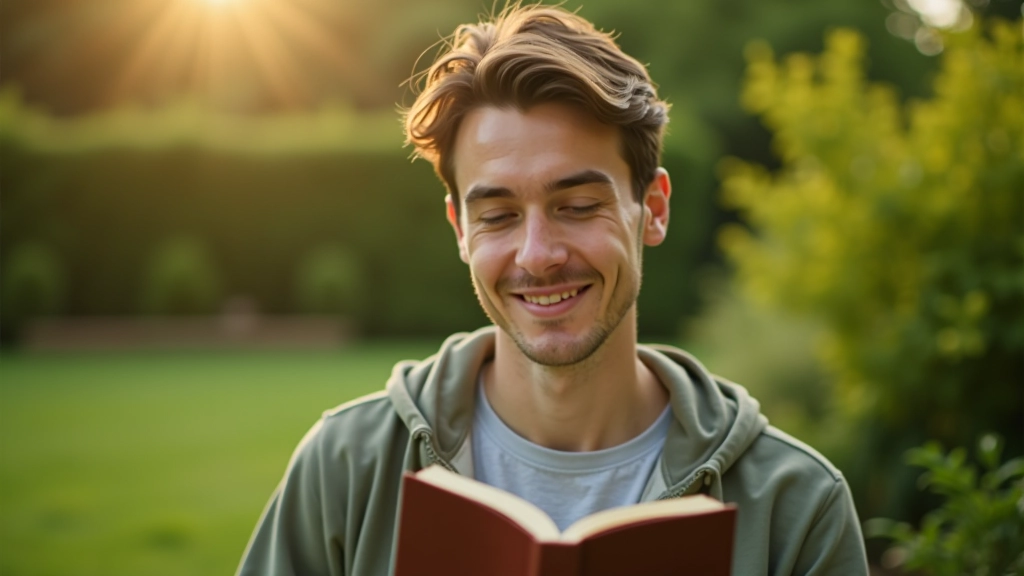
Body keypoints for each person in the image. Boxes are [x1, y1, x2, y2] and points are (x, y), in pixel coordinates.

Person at [236, 4, 869, 575]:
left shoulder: (796, 507)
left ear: (653, 208)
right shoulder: (347, 469)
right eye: (499, 215)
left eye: (577, 204)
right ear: (460, 229)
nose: (537, 257)